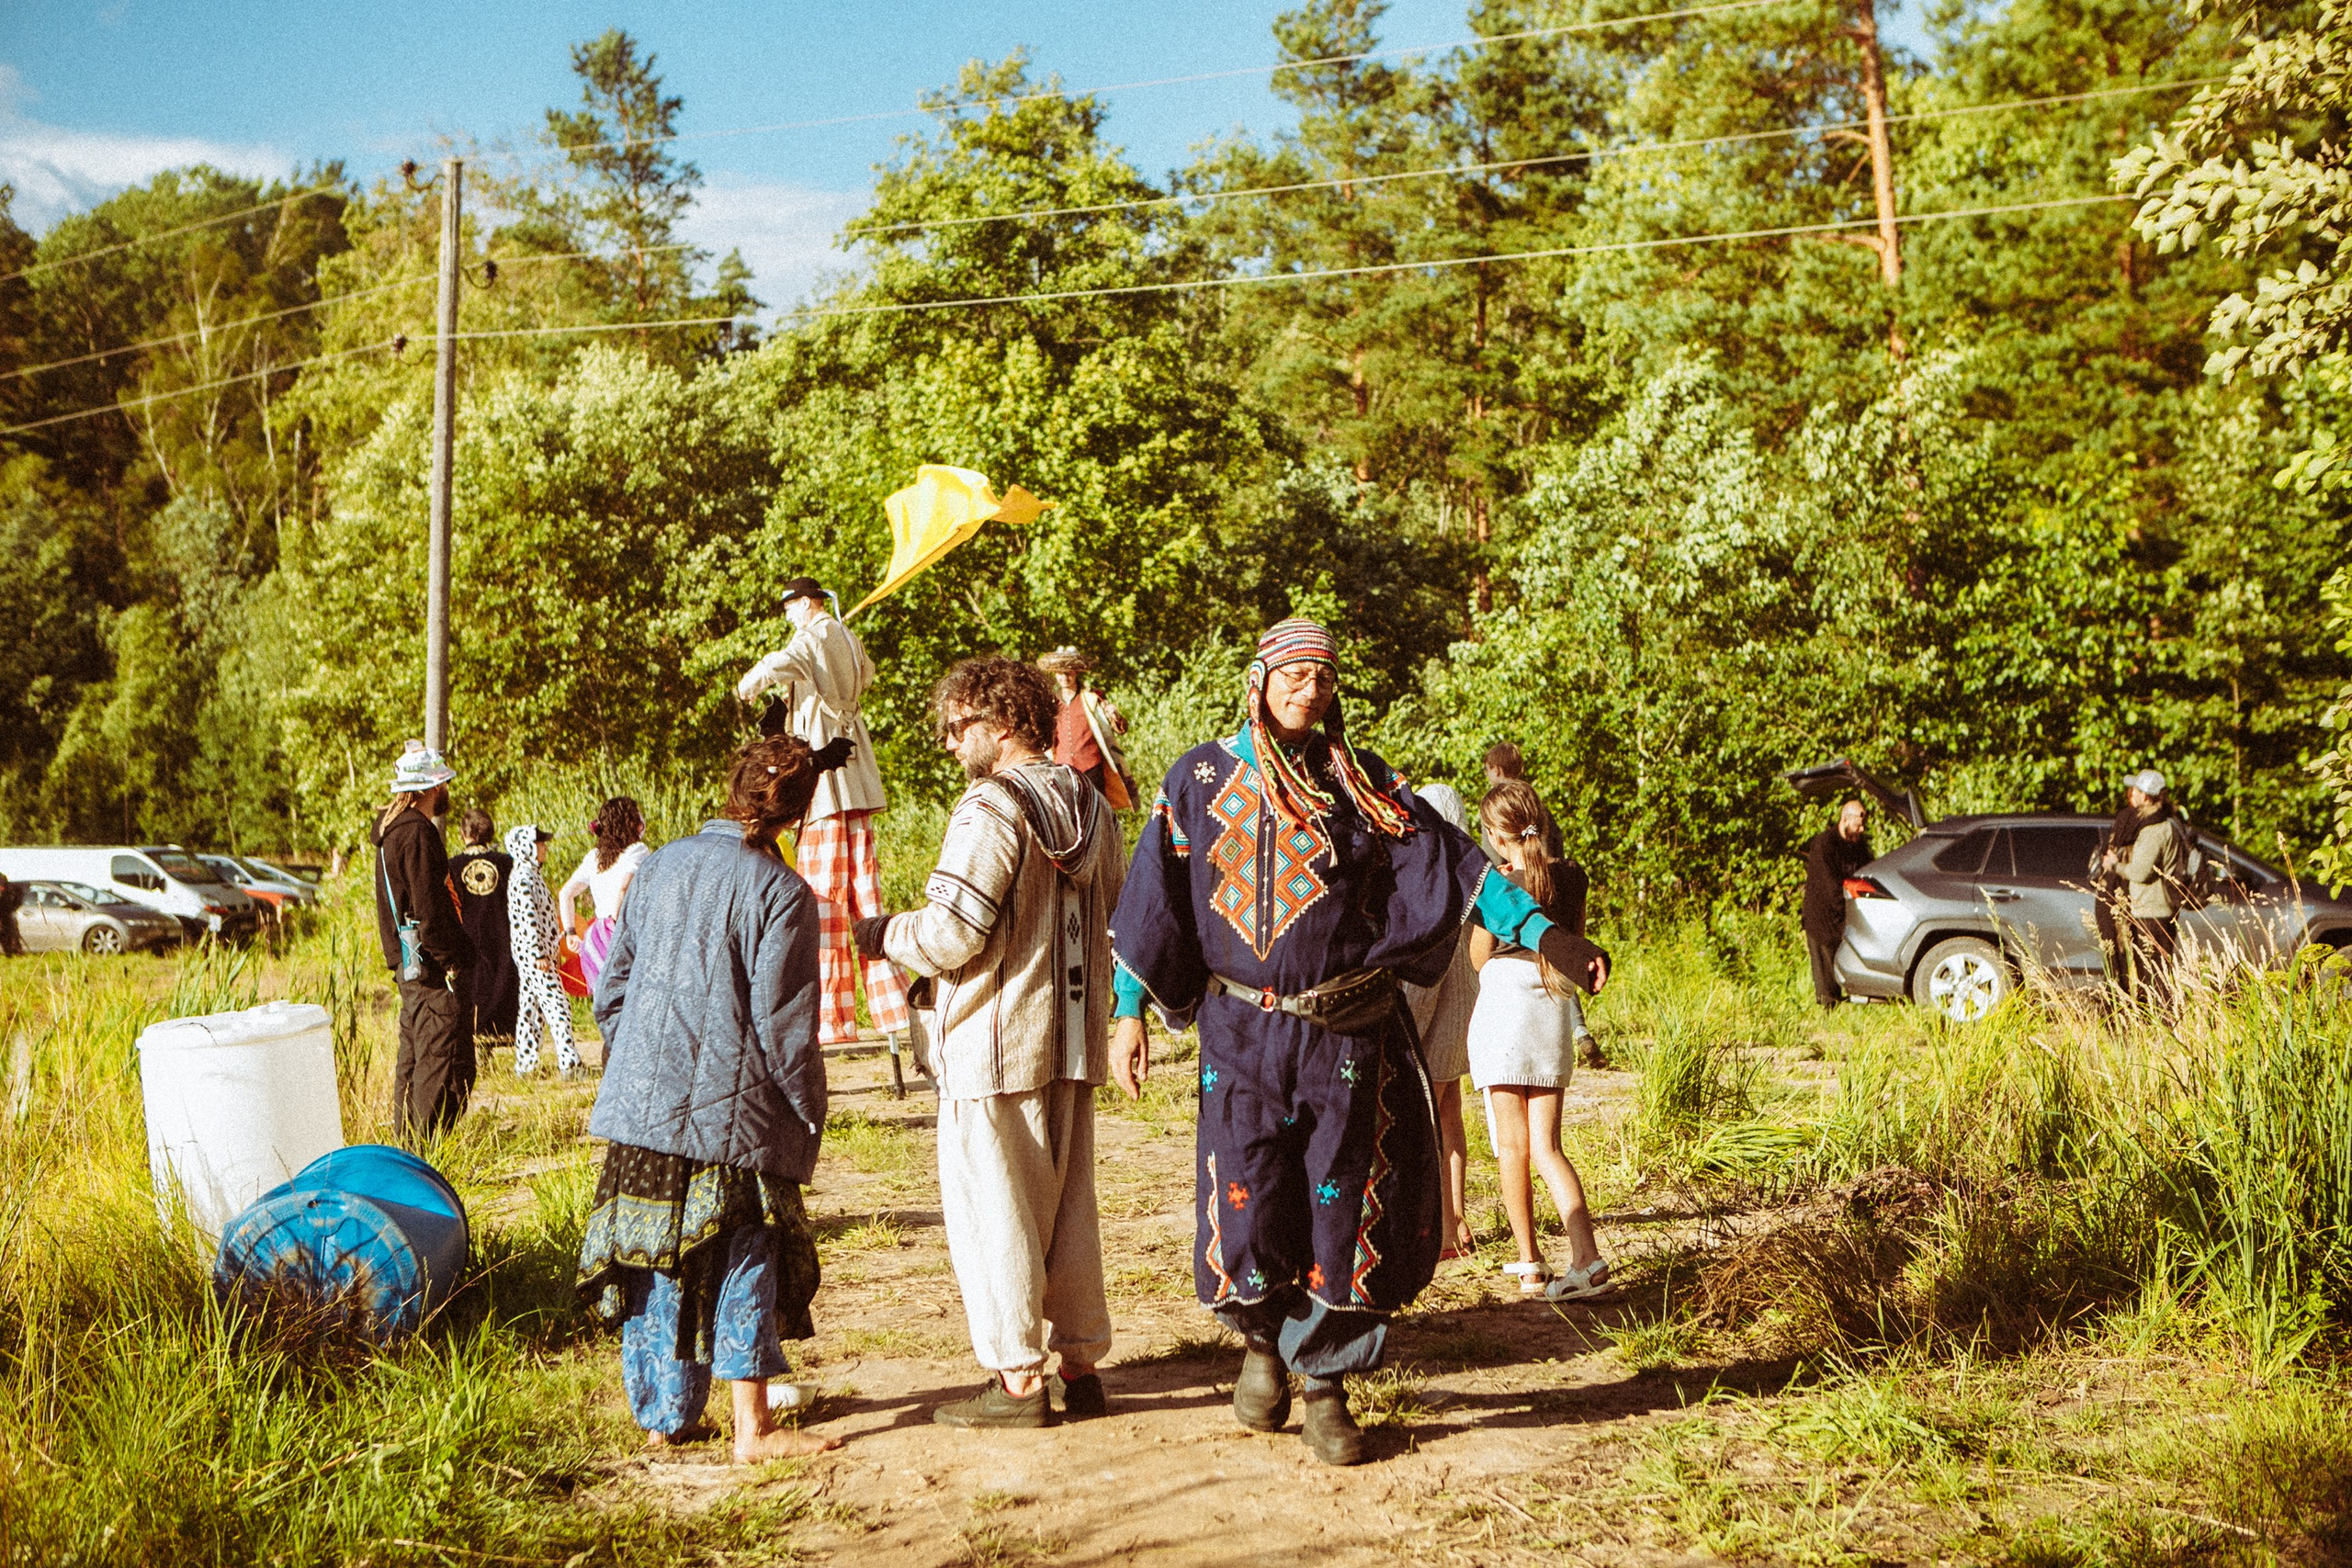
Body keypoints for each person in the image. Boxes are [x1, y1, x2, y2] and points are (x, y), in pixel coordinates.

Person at [1109, 617, 1609, 1466]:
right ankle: (1264, 1349)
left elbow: (1455, 865)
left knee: (1341, 1203)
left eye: (1324, 678)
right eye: (1294, 674)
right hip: (1238, 1034)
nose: (1310, 689)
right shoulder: (1196, 777)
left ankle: (1327, 1386)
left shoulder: (1362, 785)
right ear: (1260, 677)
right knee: (1249, 1197)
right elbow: (1154, 896)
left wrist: (1547, 933)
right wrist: (1128, 1010)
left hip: (1343, 1034)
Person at [853, 656, 1125, 1428]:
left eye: (957, 725)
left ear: (1002, 723)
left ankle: (1017, 1384)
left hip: (993, 1043)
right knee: (1070, 1211)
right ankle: (1081, 1365)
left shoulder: (988, 807)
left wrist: (880, 934)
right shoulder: (1091, 803)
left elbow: (951, 931)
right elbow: (1115, 902)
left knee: (996, 1215)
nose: (948, 742)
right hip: (1072, 1041)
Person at [575, 732, 848, 1462]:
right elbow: (784, 1028)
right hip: (736, 1118)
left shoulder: (658, 865)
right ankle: (752, 1430)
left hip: (640, 1107)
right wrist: (810, 1109)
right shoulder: (783, 892)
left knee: (655, 1258)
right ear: (796, 813)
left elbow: (612, 991)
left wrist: (639, 1063)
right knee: (743, 1254)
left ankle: (666, 1415)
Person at [735, 576, 910, 1048]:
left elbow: (782, 660)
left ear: (808, 604)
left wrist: (751, 683)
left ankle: (834, 1019)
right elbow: (867, 674)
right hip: (855, 778)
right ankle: (893, 1010)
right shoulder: (848, 640)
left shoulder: (815, 635)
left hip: (827, 787)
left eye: (791, 606)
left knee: (826, 905)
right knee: (867, 900)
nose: (788, 615)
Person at [1470, 783, 1611, 1302]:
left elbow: (1479, 956)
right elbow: (1572, 942)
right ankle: (1587, 1259)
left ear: (1493, 834)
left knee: (1511, 1148)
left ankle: (1530, 1262)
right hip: (1552, 1003)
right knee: (1548, 1147)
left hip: (1504, 1004)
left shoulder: (1494, 883)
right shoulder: (1571, 878)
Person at [371, 741, 478, 1140]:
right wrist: (452, 959)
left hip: (410, 962)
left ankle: (408, 1150)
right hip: (430, 967)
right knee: (439, 1060)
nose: (447, 790)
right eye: (443, 783)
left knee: (415, 1059)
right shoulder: (416, 833)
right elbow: (428, 907)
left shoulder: (392, 832)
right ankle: (423, 1156)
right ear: (431, 787)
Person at [1400, 783, 1479, 1260]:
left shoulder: (1431, 887)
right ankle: (1455, 1221)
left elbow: (1420, 983)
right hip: (1461, 1019)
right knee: (1452, 1119)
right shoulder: (1472, 879)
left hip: (1432, 1022)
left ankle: (1436, 1229)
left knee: (1427, 1123)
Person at [2104, 769, 2185, 1010]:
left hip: (2151, 911)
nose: (2132, 794)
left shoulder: (2152, 831)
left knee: (2154, 976)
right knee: (2159, 973)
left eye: (2137, 791)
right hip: (2163, 909)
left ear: (2147, 797)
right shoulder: (2170, 823)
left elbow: (2140, 873)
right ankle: (2162, 1022)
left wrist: (2114, 865)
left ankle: (2162, 1024)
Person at [503, 822, 579, 1077]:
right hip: (535, 956)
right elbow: (527, 918)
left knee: (530, 1011)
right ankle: (569, 1063)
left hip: (534, 955)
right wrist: (538, 953)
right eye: (540, 844)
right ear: (527, 847)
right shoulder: (524, 878)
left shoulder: (529, 875)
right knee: (557, 1006)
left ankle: (525, 1065)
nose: (544, 848)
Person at [560, 796, 649, 991]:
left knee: (608, 999)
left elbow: (566, 893)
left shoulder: (595, 856)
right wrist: (616, 924)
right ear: (629, 822)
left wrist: (571, 932)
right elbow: (624, 888)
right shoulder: (637, 851)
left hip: (597, 936)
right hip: (624, 932)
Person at [449, 807, 519, 1047]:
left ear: (463, 833)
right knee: (502, 982)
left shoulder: (452, 867)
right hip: (502, 935)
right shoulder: (508, 863)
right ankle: (506, 1036)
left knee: (475, 986)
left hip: (467, 938)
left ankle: (476, 1039)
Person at [1038, 647, 1136, 809]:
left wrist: (1115, 715)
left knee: (1096, 813)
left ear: (1076, 672)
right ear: (1055, 674)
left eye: (1068, 672)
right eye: (1060, 673)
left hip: (1092, 767)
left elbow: (1120, 728)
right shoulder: (1051, 703)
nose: (1064, 677)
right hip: (1062, 769)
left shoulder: (1092, 698)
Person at [1801, 797, 1874, 1010]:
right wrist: (1848, 910)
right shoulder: (1825, 844)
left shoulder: (1858, 846)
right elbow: (1829, 883)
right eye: (1858, 824)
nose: (1861, 829)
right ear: (1845, 820)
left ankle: (1848, 1002)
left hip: (1845, 911)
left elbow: (1868, 871)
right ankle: (1828, 1011)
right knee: (1824, 967)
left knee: (1843, 959)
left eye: (1863, 825)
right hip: (1821, 912)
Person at [1482, 743, 1562, 859]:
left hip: (1510, 875)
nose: (1487, 774)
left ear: (1496, 770)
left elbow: (1493, 855)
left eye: (1487, 769)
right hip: (1547, 871)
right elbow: (1556, 842)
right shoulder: (1533, 800)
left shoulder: (1494, 805)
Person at [0, 877, 22, 958]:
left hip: (5, 915)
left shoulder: (3, 880)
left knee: (8, 937)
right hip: (5, 915)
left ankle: (11, 954)